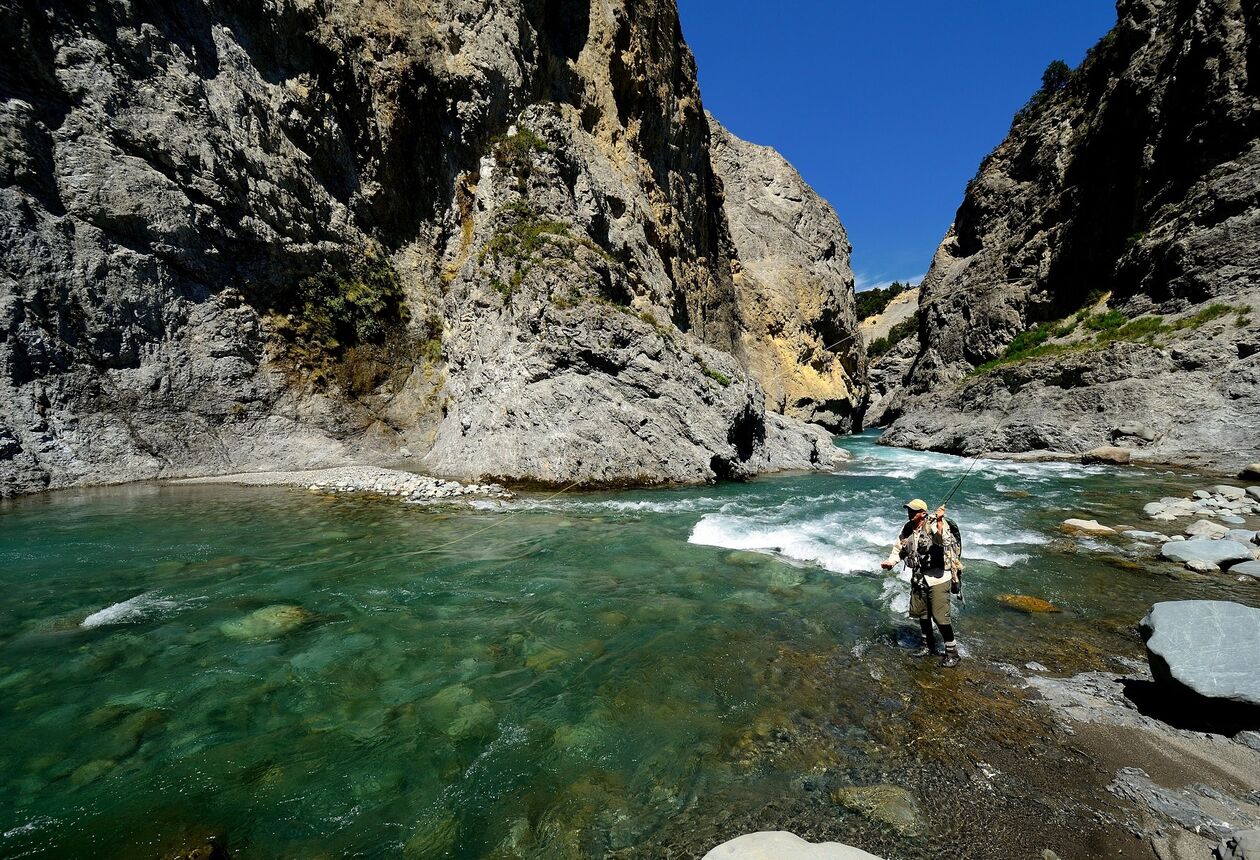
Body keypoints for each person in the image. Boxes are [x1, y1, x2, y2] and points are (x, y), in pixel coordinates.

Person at [880, 498, 962, 667]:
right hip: (919, 577)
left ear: (923, 513)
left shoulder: (934, 524)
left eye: (914, 511)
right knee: (923, 614)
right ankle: (927, 645)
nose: (909, 512)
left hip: (938, 577)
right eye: (909, 509)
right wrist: (891, 562)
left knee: (940, 617)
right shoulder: (908, 528)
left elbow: (943, 540)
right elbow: (899, 549)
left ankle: (952, 653)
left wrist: (939, 521)